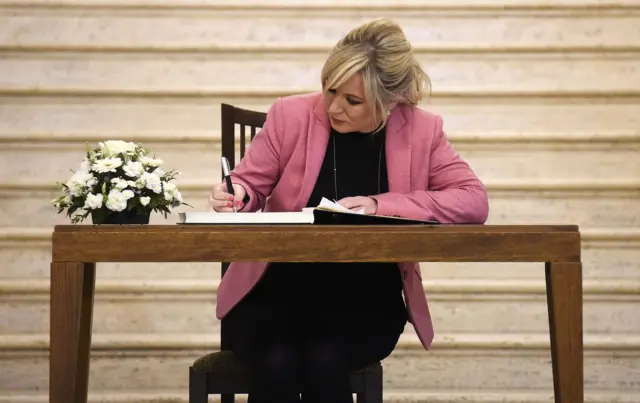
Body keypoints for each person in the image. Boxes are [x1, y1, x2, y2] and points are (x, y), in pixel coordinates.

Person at [208, 18, 489, 403]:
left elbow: (473, 199)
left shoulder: (423, 131)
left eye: (353, 101)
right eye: (330, 90)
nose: (334, 107)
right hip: (275, 292)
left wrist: (380, 205)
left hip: (365, 299)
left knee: (325, 358)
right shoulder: (290, 115)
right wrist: (236, 193)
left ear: (390, 101)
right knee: (278, 360)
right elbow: (250, 184)